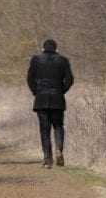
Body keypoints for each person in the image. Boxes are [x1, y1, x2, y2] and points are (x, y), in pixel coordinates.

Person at [27, 39, 74, 168]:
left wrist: (35, 91)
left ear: (43, 48)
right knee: (58, 126)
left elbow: (30, 78)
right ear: (56, 48)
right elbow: (70, 79)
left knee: (44, 129)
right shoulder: (63, 60)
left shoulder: (36, 60)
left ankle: (48, 159)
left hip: (41, 99)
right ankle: (59, 149)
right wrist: (61, 90)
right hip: (57, 98)